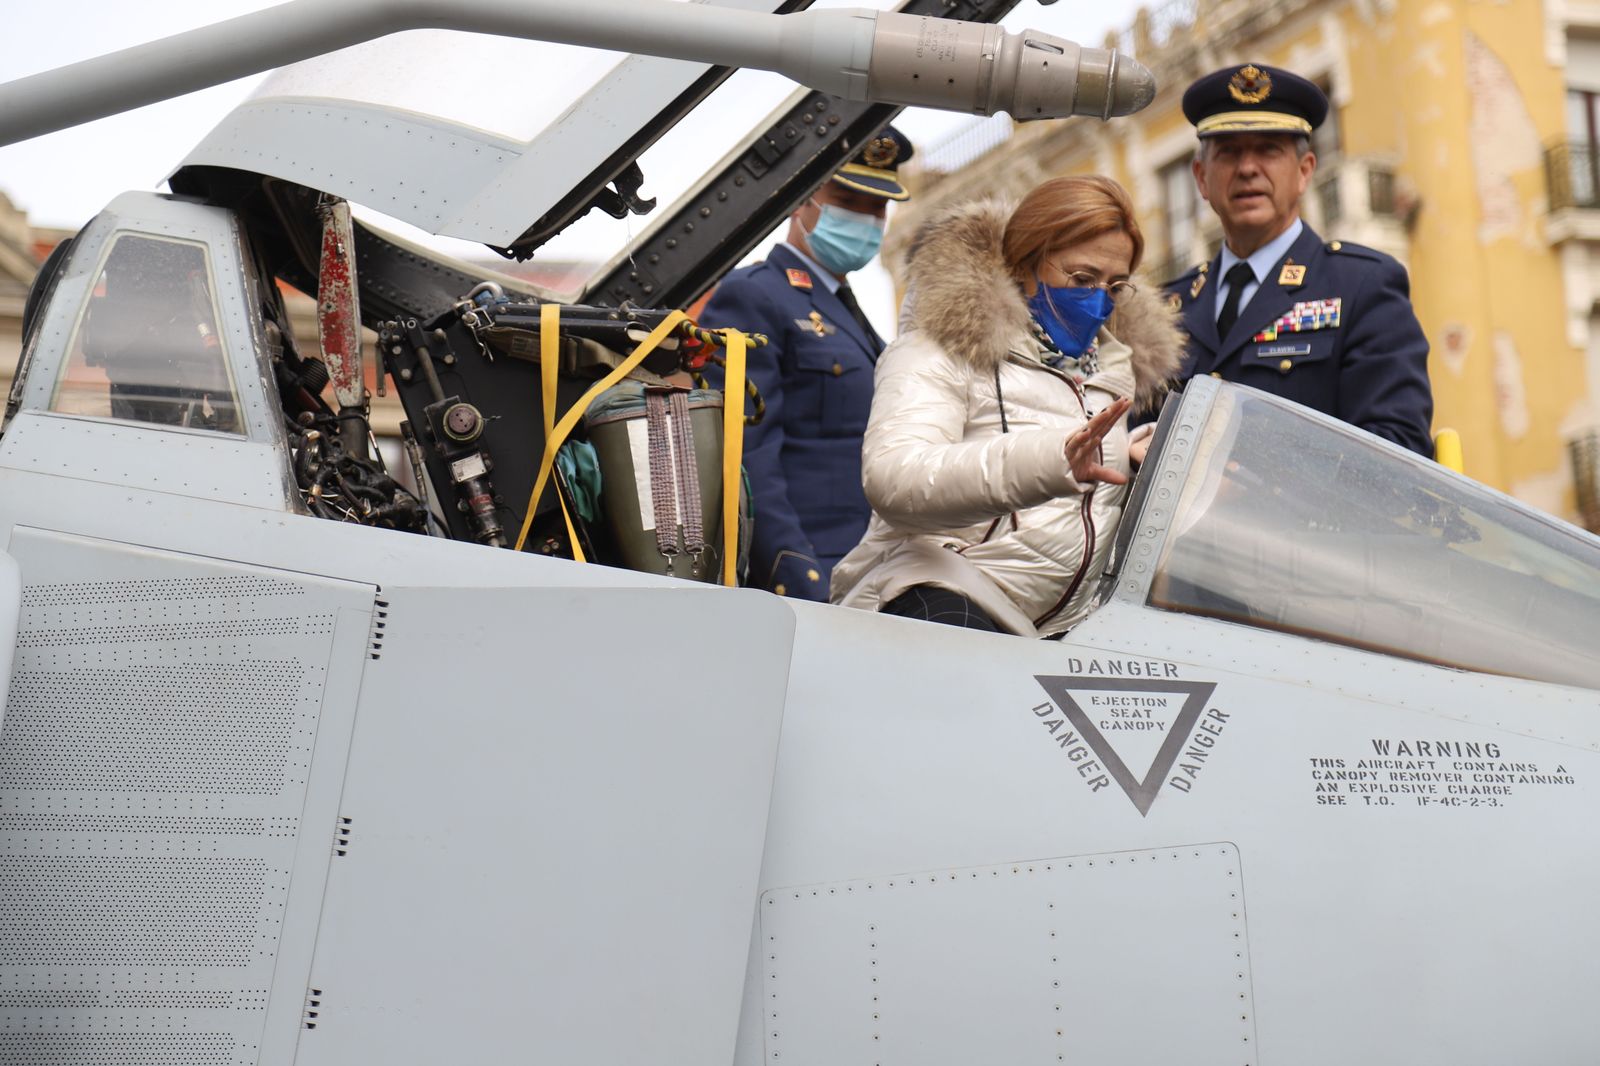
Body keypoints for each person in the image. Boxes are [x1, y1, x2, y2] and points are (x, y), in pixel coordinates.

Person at [830, 176, 1183, 638]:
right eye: (1080, 279)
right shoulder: (937, 349)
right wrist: (1052, 459)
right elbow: (895, 480)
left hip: (1062, 627)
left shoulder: (1111, 371)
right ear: (1025, 264)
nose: (1098, 302)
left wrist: (1134, 463)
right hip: (939, 592)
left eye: (1114, 286)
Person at [1165, 63, 1433, 456]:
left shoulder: (1360, 286)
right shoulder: (1168, 311)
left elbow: (1397, 450)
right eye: (1229, 153)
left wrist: (1255, 475)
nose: (1248, 169)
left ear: (1305, 171)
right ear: (1202, 178)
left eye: (1268, 150)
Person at [698, 128, 913, 601]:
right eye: (847, 199)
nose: (865, 218)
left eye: (876, 208)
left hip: (875, 564)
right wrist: (793, 572)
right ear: (803, 199)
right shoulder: (753, 295)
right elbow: (745, 455)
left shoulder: (851, 314)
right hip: (816, 568)